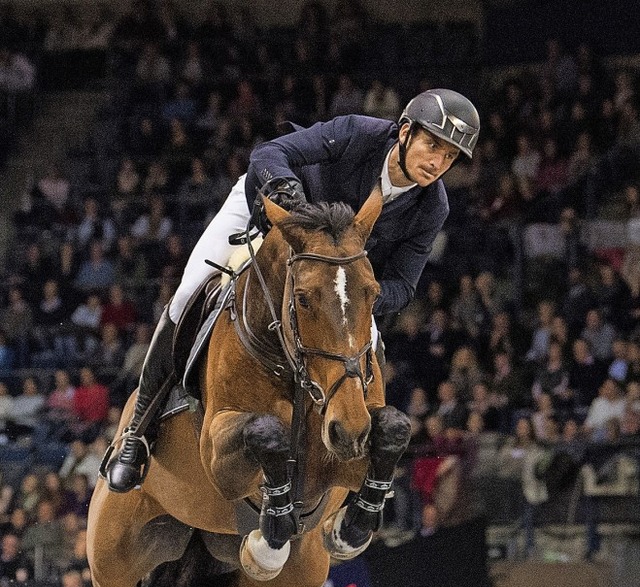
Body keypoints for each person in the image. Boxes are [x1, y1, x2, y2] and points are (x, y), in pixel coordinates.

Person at [105, 88, 481, 492]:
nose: (437, 162)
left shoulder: (432, 206)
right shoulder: (357, 133)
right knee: (186, 294)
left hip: (332, 285)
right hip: (267, 219)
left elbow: (404, 286)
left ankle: (362, 485)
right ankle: (138, 431)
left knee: (368, 346)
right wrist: (287, 195)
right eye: (433, 145)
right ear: (405, 131)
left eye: (450, 156)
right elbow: (268, 154)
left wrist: (363, 296)